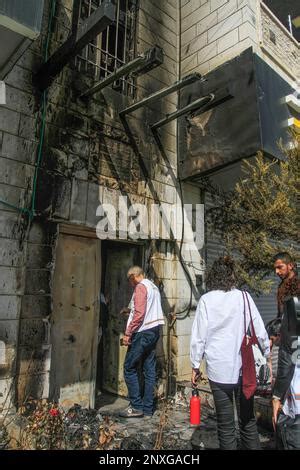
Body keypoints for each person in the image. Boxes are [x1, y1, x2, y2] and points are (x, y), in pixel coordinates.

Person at [190, 256, 270, 450]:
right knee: (248, 422)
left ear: (213, 277)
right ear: (232, 276)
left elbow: (199, 336)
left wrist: (195, 364)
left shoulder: (206, 300)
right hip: (244, 371)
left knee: (225, 426)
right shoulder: (244, 297)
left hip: (218, 370)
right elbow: (259, 330)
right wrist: (267, 355)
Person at [119, 266, 165, 418]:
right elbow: (146, 309)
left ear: (134, 276)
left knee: (129, 367)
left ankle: (136, 406)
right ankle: (147, 409)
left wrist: (128, 333)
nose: (130, 283)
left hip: (142, 333)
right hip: (154, 331)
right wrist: (128, 311)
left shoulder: (140, 286)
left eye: (129, 280)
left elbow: (139, 313)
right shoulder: (153, 287)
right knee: (149, 369)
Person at [274, 252, 299, 317]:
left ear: (290, 266)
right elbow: (280, 313)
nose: (276, 272)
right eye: (275, 268)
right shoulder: (281, 287)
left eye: (280, 267)